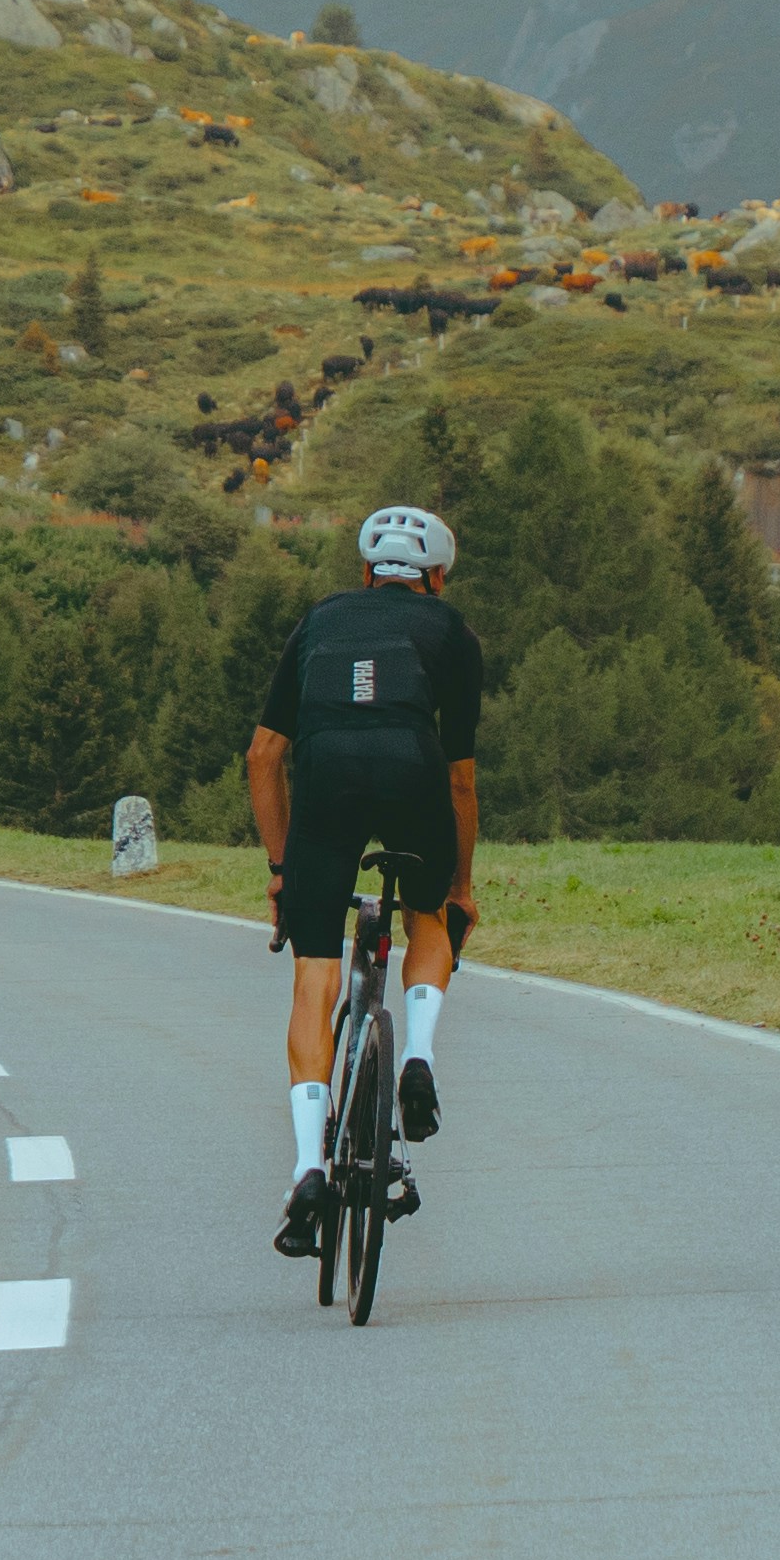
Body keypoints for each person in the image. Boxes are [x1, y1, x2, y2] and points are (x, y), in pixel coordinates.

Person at [249, 501, 485, 1260]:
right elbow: (462, 779)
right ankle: (417, 1054)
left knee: (314, 976)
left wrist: (284, 870)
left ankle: (310, 1166)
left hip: (325, 781)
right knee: (424, 918)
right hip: (413, 773)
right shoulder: (451, 631)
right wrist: (458, 888)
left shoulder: (320, 619)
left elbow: (261, 757)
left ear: (365, 571)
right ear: (437, 578)